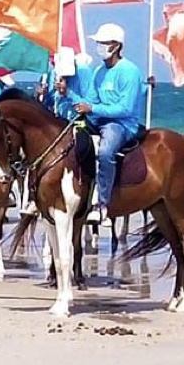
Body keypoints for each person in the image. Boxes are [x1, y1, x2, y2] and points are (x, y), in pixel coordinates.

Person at [69, 23, 147, 219]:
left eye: (104, 43)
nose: (100, 47)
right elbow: (93, 100)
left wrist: (93, 108)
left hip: (122, 124)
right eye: (99, 43)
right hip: (98, 120)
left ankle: (102, 204)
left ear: (116, 46)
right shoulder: (98, 72)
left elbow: (126, 108)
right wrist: (80, 105)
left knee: (105, 152)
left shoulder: (129, 71)